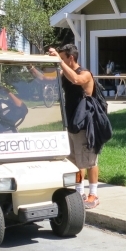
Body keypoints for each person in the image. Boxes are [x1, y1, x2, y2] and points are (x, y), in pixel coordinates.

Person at [49, 43, 106, 210]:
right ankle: (79, 191)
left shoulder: (85, 73)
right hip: (72, 122)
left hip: (85, 123)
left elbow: (76, 79)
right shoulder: (65, 73)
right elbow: (47, 78)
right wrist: (30, 66)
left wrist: (59, 61)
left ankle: (93, 194)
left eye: (63, 57)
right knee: (75, 161)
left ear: (70, 57)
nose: (61, 60)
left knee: (90, 160)